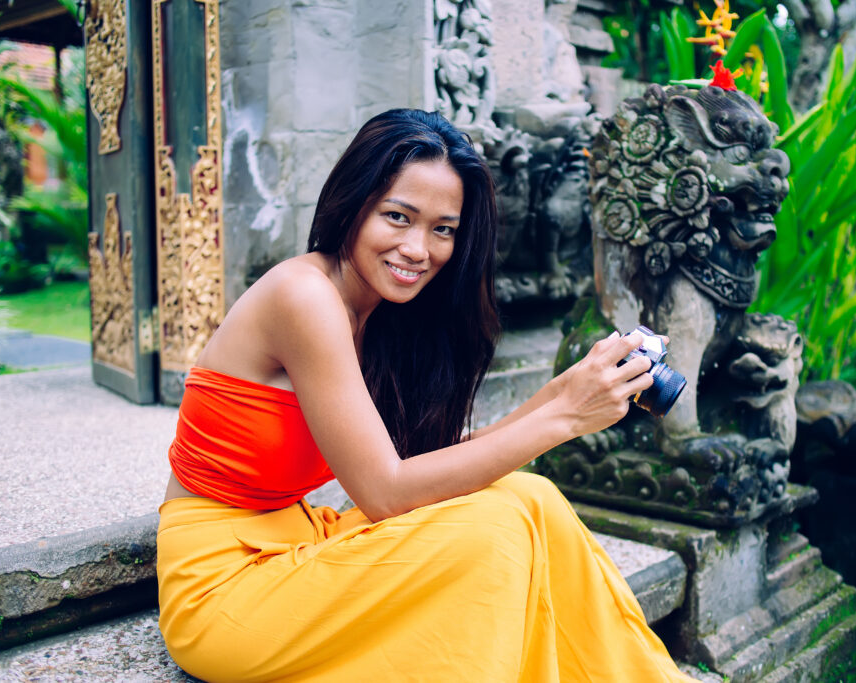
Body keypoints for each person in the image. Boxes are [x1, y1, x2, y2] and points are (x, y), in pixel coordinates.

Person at [157, 108, 697, 682]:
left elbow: (422, 468)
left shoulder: (379, 313)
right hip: (225, 589)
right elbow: (386, 492)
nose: (419, 249)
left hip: (298, 538)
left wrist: (561, 392)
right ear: (352, 204)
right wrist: (563, 418)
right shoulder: (303, 297)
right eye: (398, 217)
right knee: (493, 536)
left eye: (443, 229)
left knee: (529, 497)